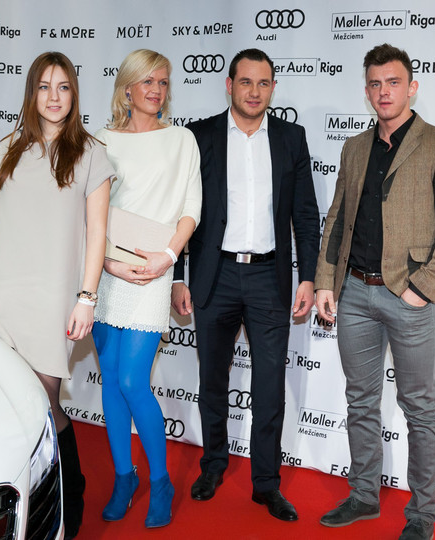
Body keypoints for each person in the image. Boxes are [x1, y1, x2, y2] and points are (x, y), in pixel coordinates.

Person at [314, 43, 435, 539]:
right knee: (360, 401)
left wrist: (422, 288)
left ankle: (422, 514)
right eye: (376, 84)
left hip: (409, 296)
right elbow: (337, 217)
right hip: (354, 295)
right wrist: (325, 280)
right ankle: (363, 494)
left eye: (394, 82)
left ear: (412, 87)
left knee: (419, 408)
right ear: (367, 92)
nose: (384, 92)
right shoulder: (354, 147)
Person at [0, 51, 113, 540]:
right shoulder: (10, 147)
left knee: (45, 404)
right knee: (11, 398)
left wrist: (87, 297)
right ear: (32, 93)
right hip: (8, 292)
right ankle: (19, 499)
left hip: (53, 295)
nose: (54, 96)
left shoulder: (91, 153)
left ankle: (69, 495)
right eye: (45, 87)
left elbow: (98, 232)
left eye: (63, 87)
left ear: (74, 94)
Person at [171, 48, 319, 522]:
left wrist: (309, 276)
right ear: (229, 85)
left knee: (270, 387)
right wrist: (178, 275)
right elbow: (181, 211)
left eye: (263, 83)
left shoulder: (291, 138)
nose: (254, 92)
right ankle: (213, 465)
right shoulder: (199, 136)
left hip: (269, 278)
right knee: (212, 380)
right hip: (214, 275)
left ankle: (266, 484)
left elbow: (305, 215)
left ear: (273, 88)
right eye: (246, 82)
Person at [91, 49, 202, 528]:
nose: (156, 90)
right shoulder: (100, 141)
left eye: (163, 82)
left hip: (154, 271)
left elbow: (191, 209)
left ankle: (160, 481)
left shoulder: (182, 140)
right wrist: (108, 263)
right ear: (127, 89)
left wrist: (168, 259)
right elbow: (89, 213)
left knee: (134, 380)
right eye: (147, 81)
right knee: (112, 380)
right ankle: (124, 476)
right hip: (107, 272)